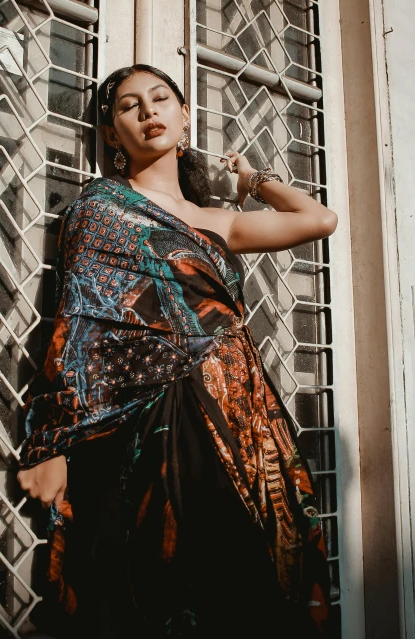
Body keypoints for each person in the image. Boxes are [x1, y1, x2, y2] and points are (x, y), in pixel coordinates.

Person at [17, 64, 337, 639]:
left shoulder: (217, 220)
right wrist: (55, 440)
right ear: (112, 135)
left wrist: (249, 180)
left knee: (256, 584)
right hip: (161, 416)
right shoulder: (100, 209)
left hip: (245, 416)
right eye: (128, 106)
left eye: (162, 98)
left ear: (184, 115)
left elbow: (319, 219)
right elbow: (82, 322)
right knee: (173, 581)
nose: (148, 112)